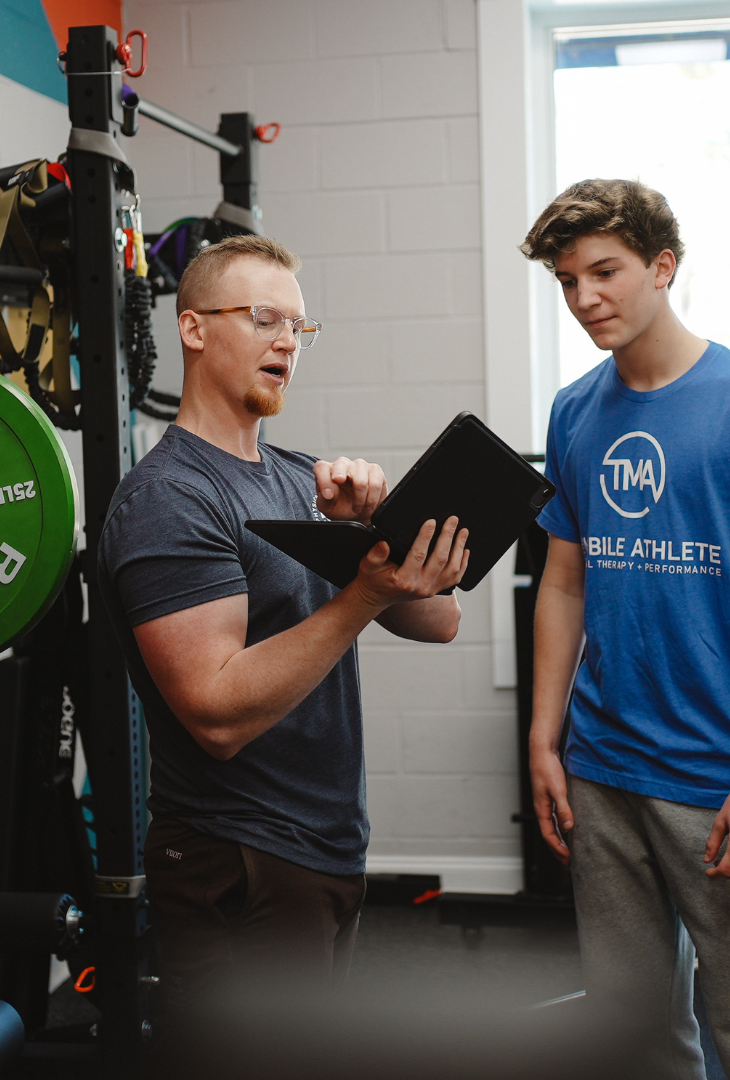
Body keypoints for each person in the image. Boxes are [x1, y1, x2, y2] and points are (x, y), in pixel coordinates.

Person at [97, 234, 469, 1002]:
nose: (287, 343)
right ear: (193, 328)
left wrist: (376, 535)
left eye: (298, 327)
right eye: (263, 319)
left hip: (324, 846)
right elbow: (216, 715)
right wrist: (362, 594)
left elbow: (440, 622)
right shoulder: (170, 498)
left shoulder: (301, 479)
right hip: (234, 854)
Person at [523, 179, 730, 1079]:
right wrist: (545, 738)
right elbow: (564, 581)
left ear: (662, 267)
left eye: (605, 272)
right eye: (567, 280)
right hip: (602, 771)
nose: (585, 298)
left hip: (722, 774)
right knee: (631, 1038)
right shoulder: (574, 410)